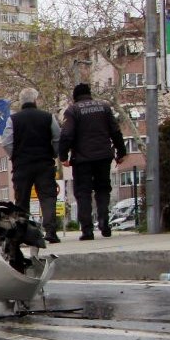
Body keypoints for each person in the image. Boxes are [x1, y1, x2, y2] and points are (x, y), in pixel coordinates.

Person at [58, 82, 126, 241]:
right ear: (90, 94)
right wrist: (121, 152)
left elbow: (67, 134)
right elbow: (115, 131)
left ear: (75, 97)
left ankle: (87, 230)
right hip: (103, 156)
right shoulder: (104, 107)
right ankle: (103, 220)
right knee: (103, 189)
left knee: (83, 193)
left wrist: (63, 156)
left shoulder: (73, 110)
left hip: (82, 159)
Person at [0, 87, 61, 244]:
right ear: (35, 100)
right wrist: (53, 153)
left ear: (21, 102)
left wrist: (15, 155)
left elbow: (6, 142)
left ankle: (22, 234)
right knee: (47, 197)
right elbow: (57, 138)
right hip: (44, 164)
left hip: (22, 166)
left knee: (22, 200)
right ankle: (51, 232)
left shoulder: (13, 120)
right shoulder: (48, 117)